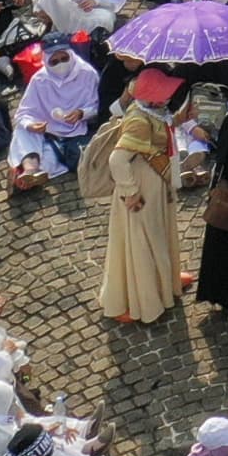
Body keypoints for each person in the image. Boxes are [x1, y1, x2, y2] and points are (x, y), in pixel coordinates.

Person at [78, 74, 184, 323]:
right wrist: (130, 192)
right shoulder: (138, 120)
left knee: (158, 236)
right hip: (143, 187)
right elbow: (117, 160)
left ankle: (164, 283)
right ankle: (144, 300)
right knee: (144, 242)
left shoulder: (150, 111)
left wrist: (181, 119)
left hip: (155, 182)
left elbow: (162, 132)